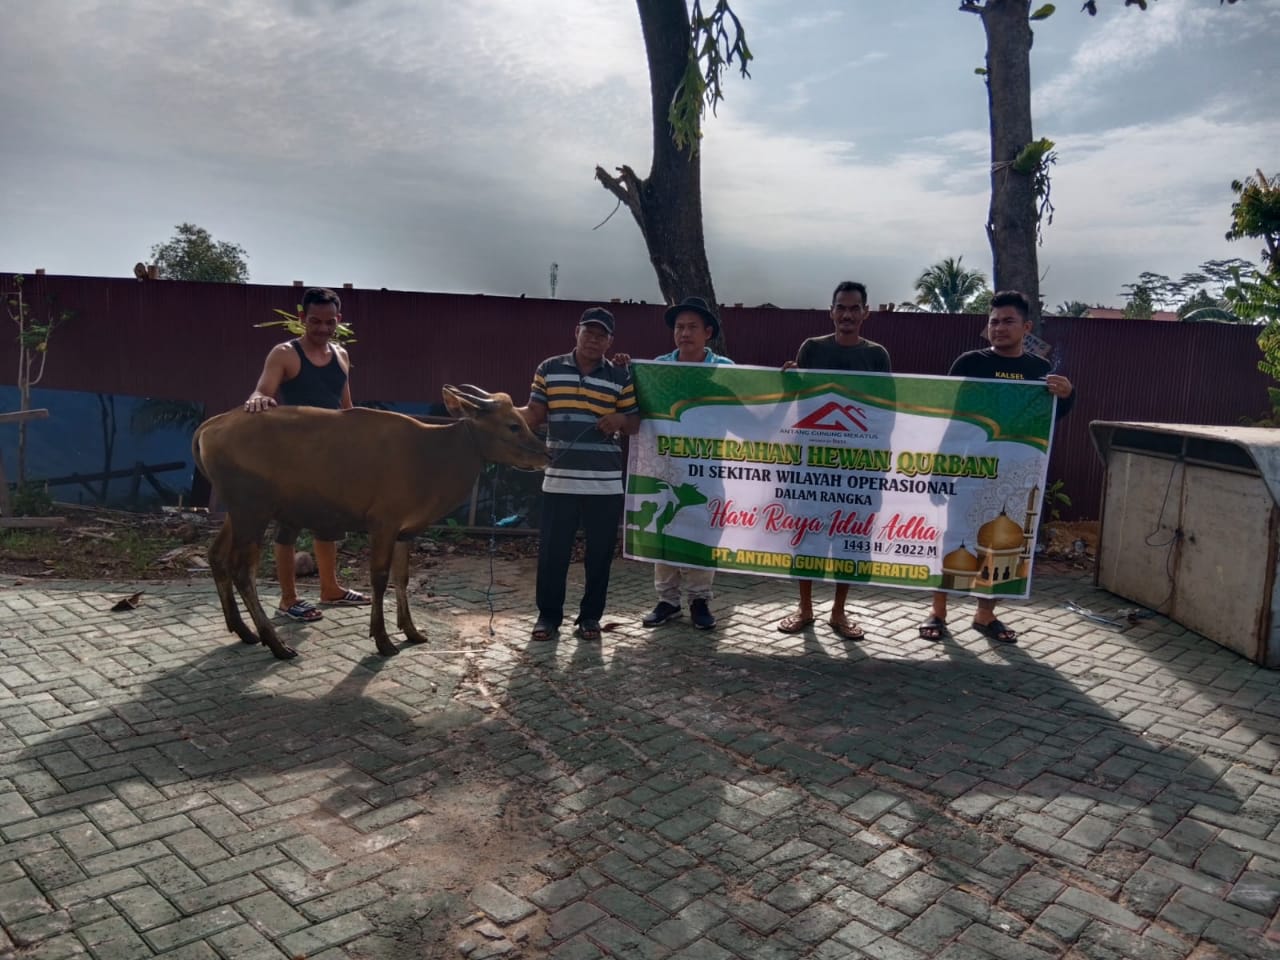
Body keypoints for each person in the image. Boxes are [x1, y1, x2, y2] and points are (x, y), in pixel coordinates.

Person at [919, 289, 1074, 644]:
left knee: (1001, 544)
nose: (999, 328)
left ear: (1026, 326)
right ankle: (938, 612)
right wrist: (939, 470)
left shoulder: (1039, 371)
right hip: (969, 474)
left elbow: (1047, 420)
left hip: (1012, 479)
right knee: (953, 539)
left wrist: (1067, 396)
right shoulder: (969, 363)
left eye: (1008, 321)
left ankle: (985, 614)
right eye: (993, 322)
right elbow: (952, 420)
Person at [243, 286, 369, 622]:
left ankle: (331, 588)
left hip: (330, 457)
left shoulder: (341, 355)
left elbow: (345, 406)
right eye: (315, 321)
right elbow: (263, 390)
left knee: (328, 523)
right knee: (289, 526)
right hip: (293, 456)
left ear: (338, 321)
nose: (322, 328)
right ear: (302, 319)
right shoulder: (284, 353)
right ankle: (288, 599)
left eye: (329, 322)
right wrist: (258, 397)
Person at [778, 281, 891, 641]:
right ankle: (805, 609)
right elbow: (797, 404)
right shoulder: (811, 349)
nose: (847, 314)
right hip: (812, 466)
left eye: (854, 308)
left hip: (858, 467)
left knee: (850, 540)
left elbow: (886, 411)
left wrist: (878, 461)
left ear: (866, 313)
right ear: (831, 311)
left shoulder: (877, 356)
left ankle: (839, 612)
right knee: (806, 539)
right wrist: (787, 381)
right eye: (841, 307)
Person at [520, 307, 640, 643]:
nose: (594, 339)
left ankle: (590, 618)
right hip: (559, 479)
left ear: (610, 341)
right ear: (577, 332)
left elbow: (634, 422)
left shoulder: (620, 375)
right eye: (589, 332)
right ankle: (548, 617)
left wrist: (618, 420)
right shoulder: (549, 368)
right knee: (553, 552)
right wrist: (498, 413)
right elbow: (534, 414)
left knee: (599, 555)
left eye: (601, 335)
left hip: (605, 483)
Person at [639, 296, 734, 631]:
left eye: (692, 327)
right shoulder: (658, 368)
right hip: (665, 467)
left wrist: (788, 383)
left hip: (706, 468)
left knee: (703, 531)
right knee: (664, 529)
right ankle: (667, 600)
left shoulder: (725, 371)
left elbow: (747, 410)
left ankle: (699, 600)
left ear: (708, 332)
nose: (685, 333)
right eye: (679, 327)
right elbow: (637, 402)